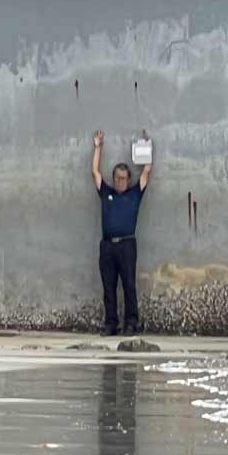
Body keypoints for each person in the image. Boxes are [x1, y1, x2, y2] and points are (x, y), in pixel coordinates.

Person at [91, 129, 152, 336]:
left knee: (128, 285)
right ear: (113, 178)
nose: (120, 182)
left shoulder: (135, 193)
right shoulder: (106, 192)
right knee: (108, 287)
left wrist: (146, 146)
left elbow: (146, 170)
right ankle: (111, 323)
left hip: (127, 245)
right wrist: (98, 147)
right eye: (117, 178)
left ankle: (132, 322)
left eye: (123, 179)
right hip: (107, 245)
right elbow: (95, 172)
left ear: (128, 179)